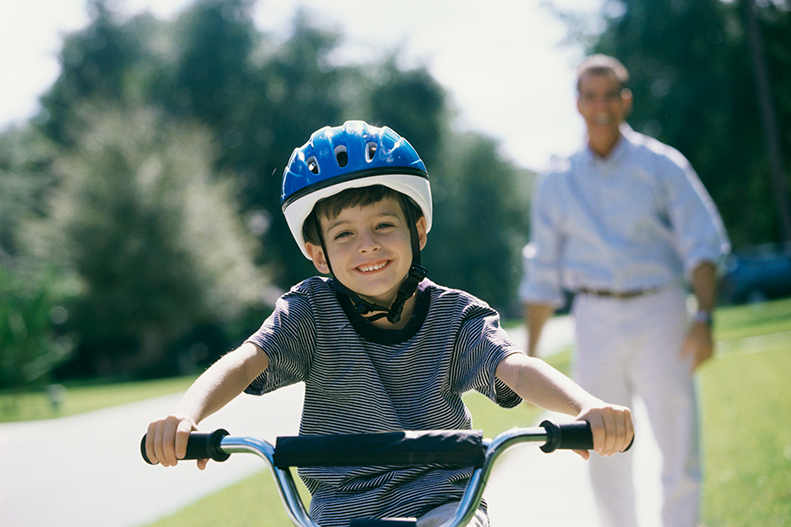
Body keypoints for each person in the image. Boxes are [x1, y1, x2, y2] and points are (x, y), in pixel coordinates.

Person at [146, 120, 634, 527]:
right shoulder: (310, 313)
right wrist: (188, 416)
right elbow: (246, 361)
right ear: (317, 254)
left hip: (444, 504)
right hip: (339, 513)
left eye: (383, 225)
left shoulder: (456, 317)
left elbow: (515, 368)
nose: (367, 245)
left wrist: (584, 406)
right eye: (344, 234)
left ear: (417, 230)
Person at [519, 55, 730, 527]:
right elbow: (542, 272)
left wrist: (705, 318)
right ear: (578, 104)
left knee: (678, 442)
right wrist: (530, 357)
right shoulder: (557, 182)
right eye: (591, 96)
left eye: (610, 95)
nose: (601, 106)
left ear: (625, 100)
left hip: (661, 309)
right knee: (601, 439)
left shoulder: (662, 165)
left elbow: (702, 243)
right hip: (592, 316)